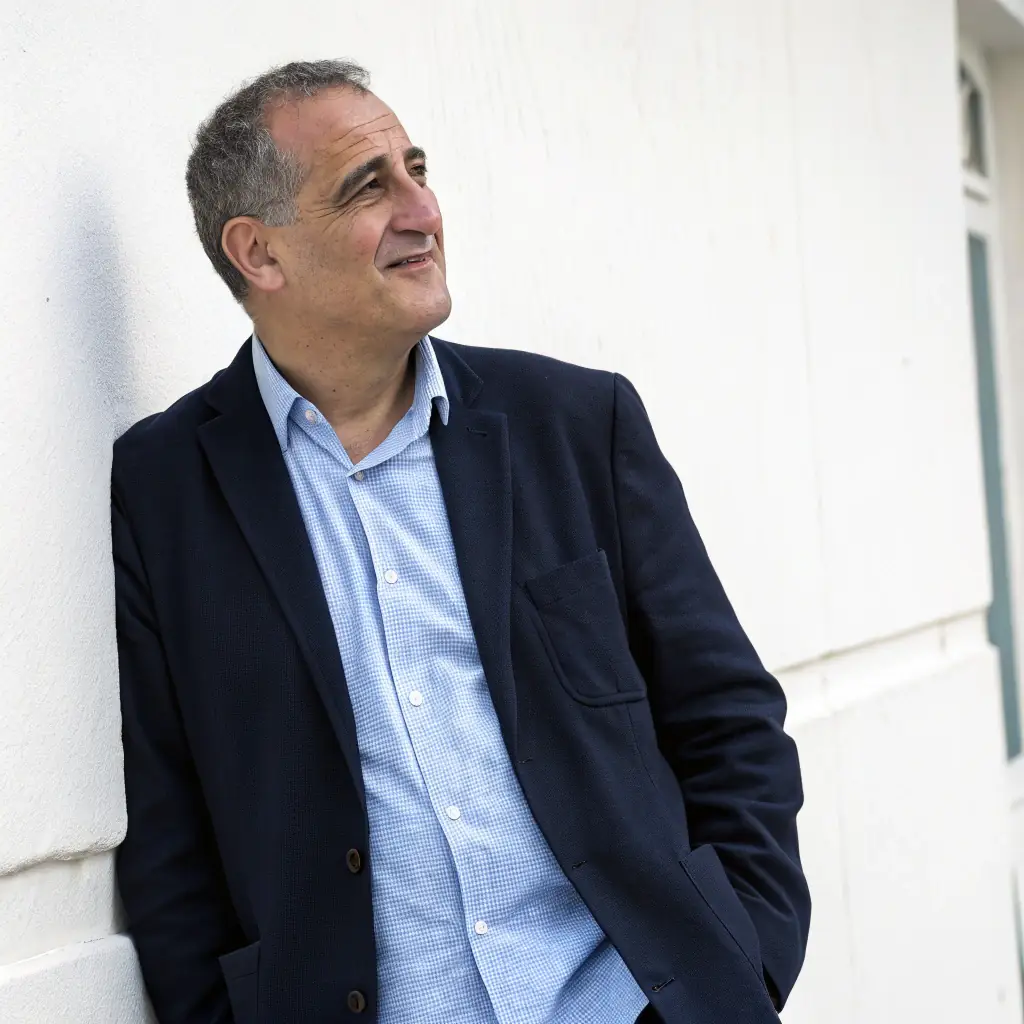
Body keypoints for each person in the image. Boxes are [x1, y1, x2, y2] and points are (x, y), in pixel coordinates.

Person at [112, 59, 810, 1024]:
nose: (424, 211)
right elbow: (169, 834)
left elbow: (726, 716)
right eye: (368, 186)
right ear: (258, 253)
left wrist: (743, 967)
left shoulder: (576, 425)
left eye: (418, 170)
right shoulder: (166, 487)